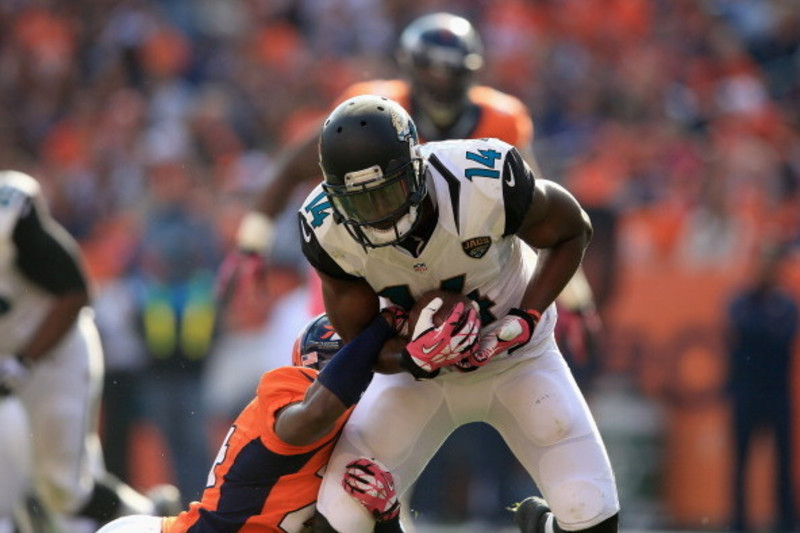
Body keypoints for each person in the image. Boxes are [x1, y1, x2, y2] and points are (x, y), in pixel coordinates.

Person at [218, 12, 601, 522]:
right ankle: (335, 505)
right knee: (341, 422)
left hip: (488, 290)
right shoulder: (370, 117)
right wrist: (252, 242)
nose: (441, 83)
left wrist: (561, 296)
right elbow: (293, 164)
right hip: (386, 300)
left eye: (451, 72)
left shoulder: (493, 138)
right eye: (432, 71)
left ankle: (498, 505)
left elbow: (549, 216)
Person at [298, 95, 620, 533]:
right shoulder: (327, 230)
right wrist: (412, 358)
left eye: (387, 192)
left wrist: (526, 317)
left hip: (518, 359)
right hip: (417, 378)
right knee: (337, 521)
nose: (379, 215)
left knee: (591, 513)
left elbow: (571, 229)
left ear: (415, 168)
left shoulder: (481, 179)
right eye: (361, 203)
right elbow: (359, 346)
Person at [95, 312, 407, 533]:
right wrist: (379, 329)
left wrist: (389, 518)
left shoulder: (356, 442)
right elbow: (316, 414)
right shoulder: (291, 391)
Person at [0, 170, 180, 533]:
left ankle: (148, 518)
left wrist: (21, 362)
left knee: (64, 488)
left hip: (54, 356)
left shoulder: (9, 216)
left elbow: (75, 292)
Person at [725, 245, 797, 532]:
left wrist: (762, 329)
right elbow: (744, 329)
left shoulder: (787, 304)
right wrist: (767, 327)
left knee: (782, 464)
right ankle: (739, 523)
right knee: (740, 463)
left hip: (776, 393)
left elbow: (783, 335)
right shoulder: (741, 301)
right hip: (747, 391)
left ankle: (785, 522)